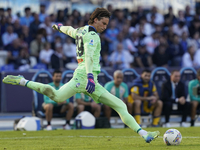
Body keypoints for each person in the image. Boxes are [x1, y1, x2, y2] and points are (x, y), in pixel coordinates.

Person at [2, 8, 159, 143]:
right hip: (87, 77)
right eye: (103, 23)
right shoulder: (93, 36)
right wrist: (90, 77)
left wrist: (58, 27)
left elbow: (68, 29)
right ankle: (144, 135)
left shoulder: (80, 31)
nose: (104, 27)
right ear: (95, 20)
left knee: (57, 96)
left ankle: (23, 81)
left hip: (80, 76)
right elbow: (89, 57)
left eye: (107, 24)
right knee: (120, 106)